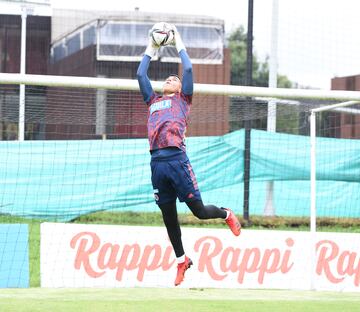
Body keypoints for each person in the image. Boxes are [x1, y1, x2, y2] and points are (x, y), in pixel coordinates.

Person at [136, 25, 241, 287]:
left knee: (199, 211)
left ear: (182, 88)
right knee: (168, 215)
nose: (172, 78)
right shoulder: (152, 100)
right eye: (169, 78)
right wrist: (153, 45)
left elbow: (190, 70)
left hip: (177, 161)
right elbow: (140, 73)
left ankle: (225, 213)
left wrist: (177, 40)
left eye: (175, 78)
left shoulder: (184, 99)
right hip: (157, 163)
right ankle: (182, 260)